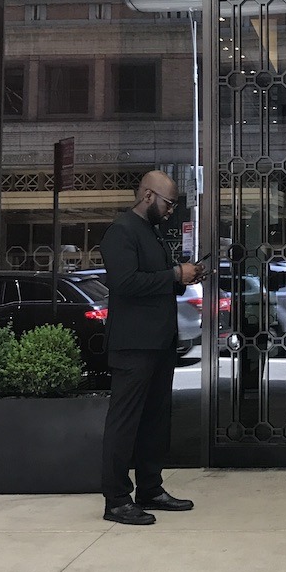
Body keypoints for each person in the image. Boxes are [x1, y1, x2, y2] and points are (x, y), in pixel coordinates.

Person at [99, 171, 201, 525]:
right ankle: (115, 499)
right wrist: (175, 275)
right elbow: (124, 282)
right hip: (132, 346)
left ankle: (150, 489)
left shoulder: (152, 233)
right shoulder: (122, 231)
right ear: (147, 196)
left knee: (154, 421)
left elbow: (153, 283)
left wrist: (184, 275)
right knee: (125, 423)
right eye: (168, 202)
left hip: (158, 343)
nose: (171, 210)